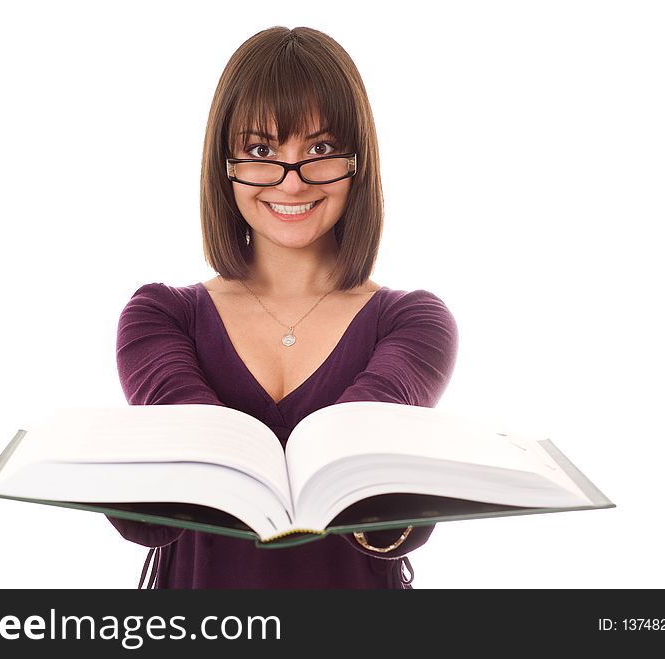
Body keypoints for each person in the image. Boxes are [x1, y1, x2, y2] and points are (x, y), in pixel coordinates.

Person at [107, 26, 458, 589]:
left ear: (357, 160)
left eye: (319, 150)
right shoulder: (159, 317)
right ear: (225, 163)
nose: (291, 183)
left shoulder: (414, 323)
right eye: (261, 151)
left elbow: (373, 485)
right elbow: (180, 478)